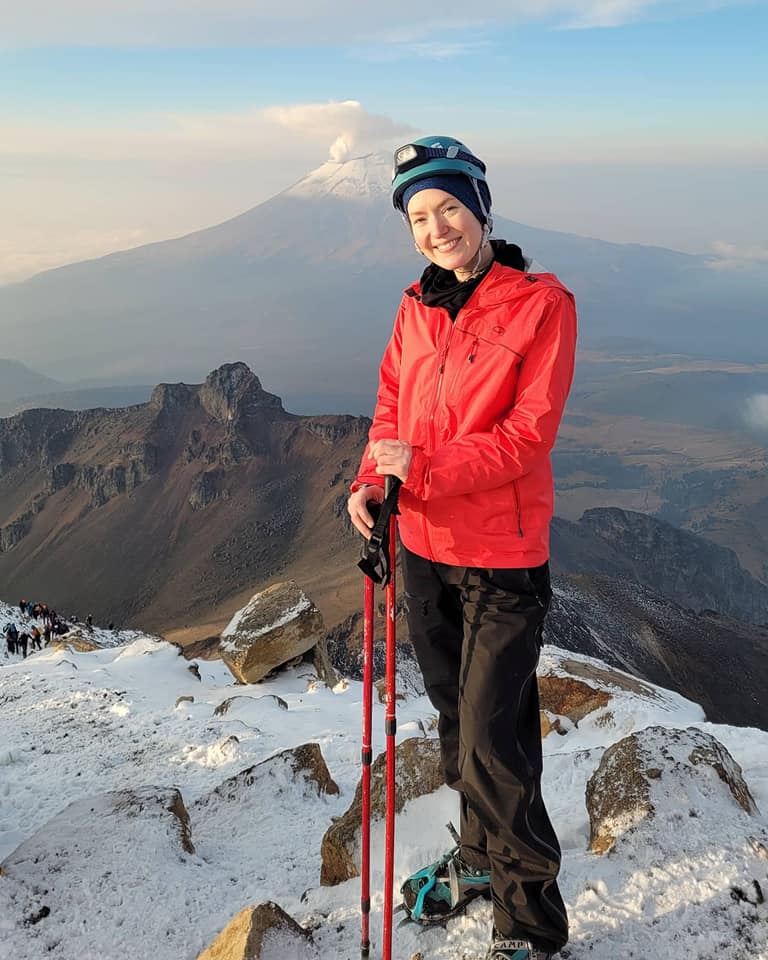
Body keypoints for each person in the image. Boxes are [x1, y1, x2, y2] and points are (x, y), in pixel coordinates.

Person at [347, 137, 577, 960]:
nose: (437, 226)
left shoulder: (540, 304)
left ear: (481, 208)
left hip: (502, 559)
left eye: (449, 207)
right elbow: (388, 406)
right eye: (420, 215)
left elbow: (526, 438)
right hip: (424, 547)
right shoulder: (417, 304)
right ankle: (479, 860)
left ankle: (532, 924)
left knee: (491, 742)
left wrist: (425, 467)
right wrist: (370, 482)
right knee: (460, 722)